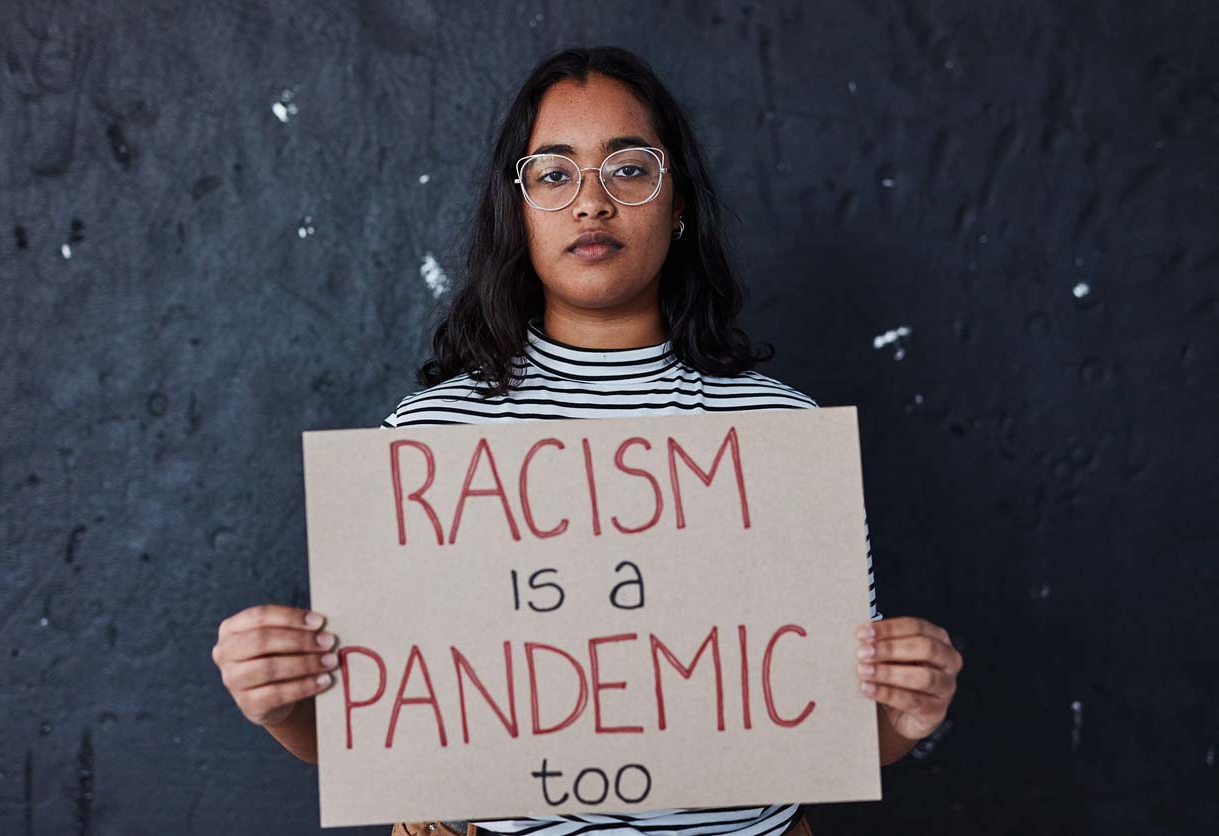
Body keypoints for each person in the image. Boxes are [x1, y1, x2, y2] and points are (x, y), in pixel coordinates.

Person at [211, 46, 963, 836]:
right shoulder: (434, 438)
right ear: (520, 208)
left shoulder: (780, 435)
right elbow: (375, 731)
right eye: (554, 173)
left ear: (677, 205)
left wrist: (908, 714)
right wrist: (284, 703)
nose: (592, 203)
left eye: (630, 169)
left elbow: (837, 731)